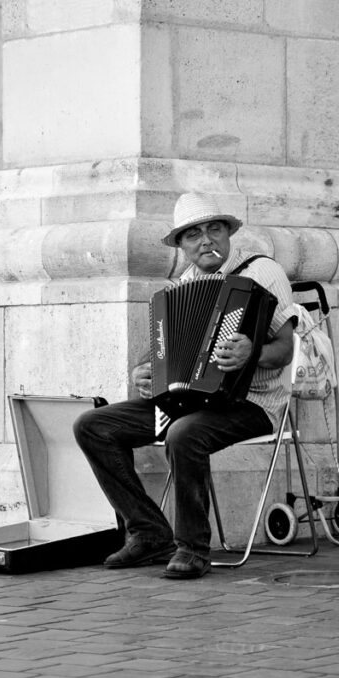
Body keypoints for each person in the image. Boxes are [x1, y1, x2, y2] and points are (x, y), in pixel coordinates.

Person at [73, 192, 298, 579]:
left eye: (214, 229)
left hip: (252, 406)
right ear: (181, 245)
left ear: (228, 233)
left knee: (182, 434)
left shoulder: (262, 273)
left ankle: (193, 549)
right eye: (193, 234)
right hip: (187, 405)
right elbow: (154, 357)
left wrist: (252, 352)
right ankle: (149, 533)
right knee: (94, 425)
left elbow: (286, 348)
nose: (205, 240)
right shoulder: (182, 287)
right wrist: (142, 375)